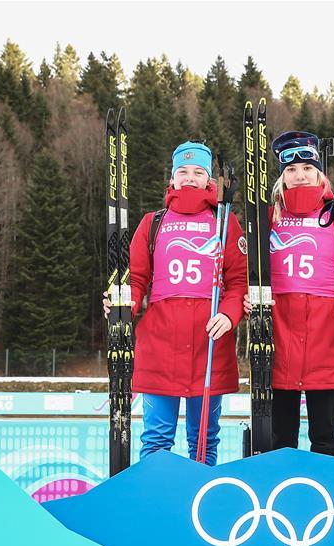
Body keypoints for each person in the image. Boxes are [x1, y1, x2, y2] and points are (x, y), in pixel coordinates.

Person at [103, 141, 246, 466]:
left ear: (209, 179)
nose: (190, 178)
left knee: (203, 443)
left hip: (208, 345)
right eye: (183, 171)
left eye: (198, 172)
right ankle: (154, 509)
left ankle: (199, 512)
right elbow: (136, 278)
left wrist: (229, 313)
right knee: (156, 440)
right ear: (172, 177)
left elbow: (239, 282)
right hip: (160, 346)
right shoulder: (153, 222)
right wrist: (123, 304)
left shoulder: (226, 222)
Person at [244, 131, 334, 456]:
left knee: (325, 435)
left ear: (319, 173)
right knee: (280, 438)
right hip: (278, 336)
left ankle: (327, 500)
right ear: (282, 176)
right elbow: (247, 270)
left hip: (327, 336)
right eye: (292, 170)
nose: (300, 176)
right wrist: (248, 299)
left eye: (307, 169)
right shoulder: (268, 217)